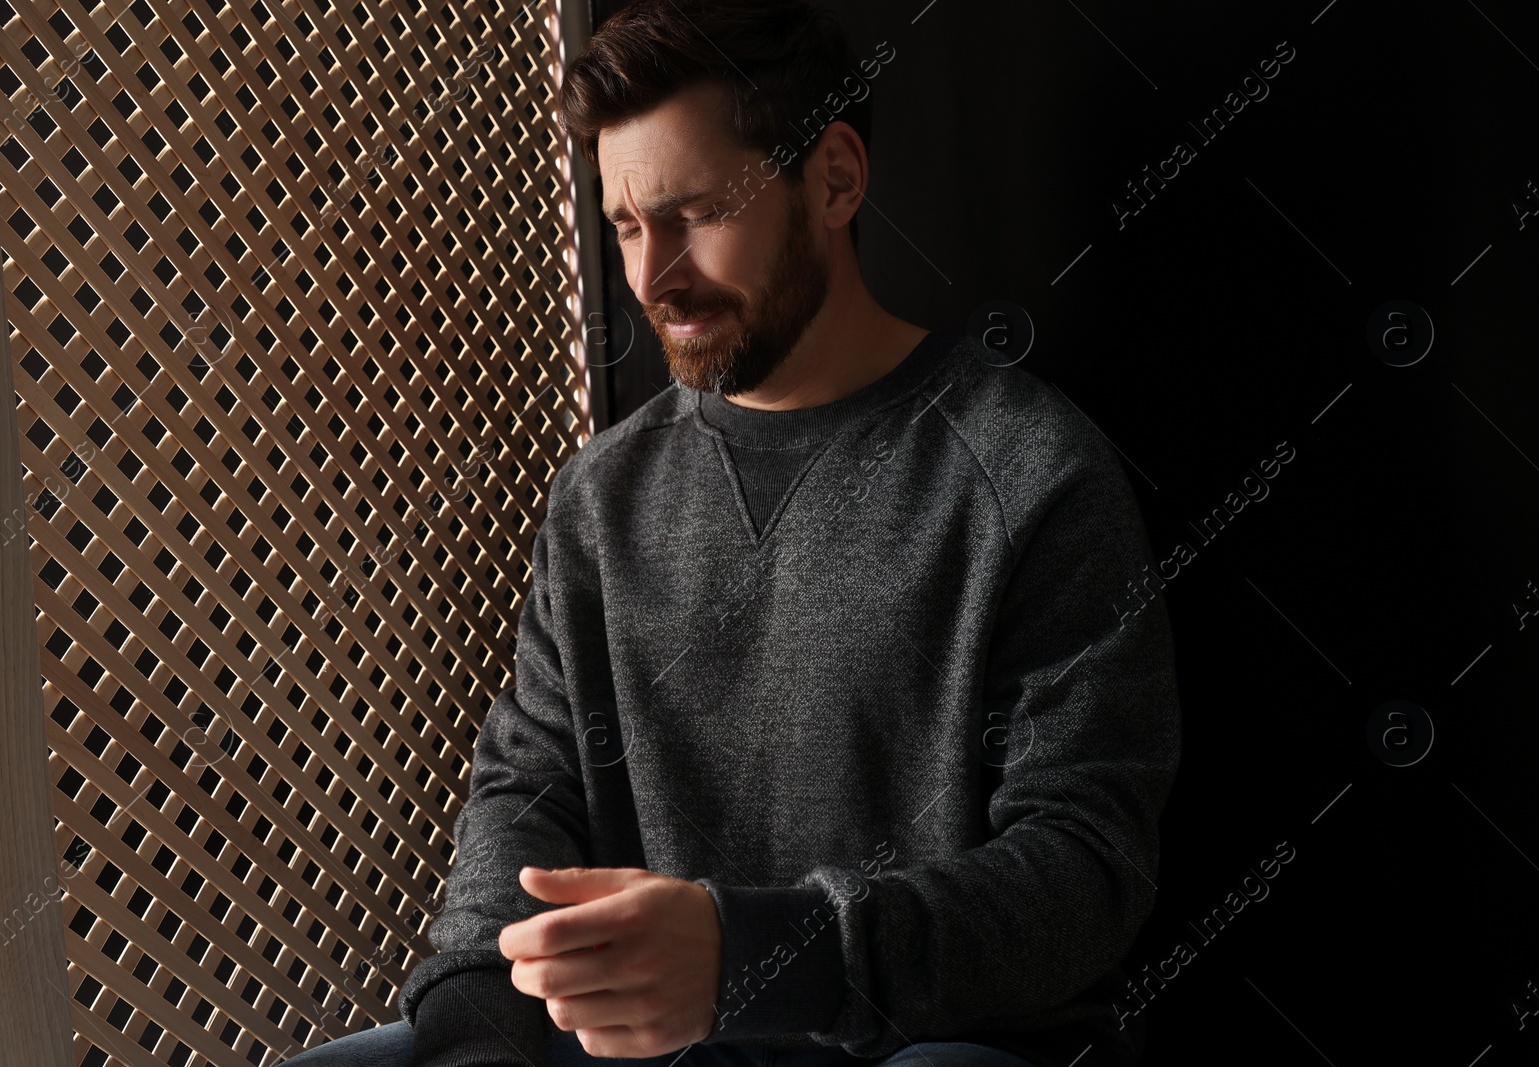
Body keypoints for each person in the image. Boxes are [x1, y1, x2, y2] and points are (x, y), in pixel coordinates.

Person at [285, 1, 1181, 1065]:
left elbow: (1083, 873)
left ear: (835, 179)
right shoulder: (600, 496)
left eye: (696, 210)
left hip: (927, 1043)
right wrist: (482, 1023)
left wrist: (754, 955)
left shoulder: (1028, 473)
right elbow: (527, 787)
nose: (653, 272)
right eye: (625, 224)